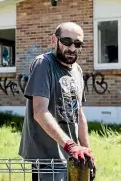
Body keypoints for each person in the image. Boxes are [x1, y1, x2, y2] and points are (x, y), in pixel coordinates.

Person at [18, 22, 96, 181]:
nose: (72, 48)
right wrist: (71, 146)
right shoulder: (44, 64)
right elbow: (40, 111)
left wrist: (87, 152)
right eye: (67, 42)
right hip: (47, 158)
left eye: (77, 44)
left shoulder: (77, 70)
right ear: (54, 40)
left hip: (72, 157)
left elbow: (79, 114)